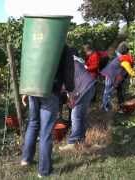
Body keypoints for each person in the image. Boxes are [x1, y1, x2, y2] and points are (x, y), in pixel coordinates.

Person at [20, 45, 75, 177]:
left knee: (33, 123)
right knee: (45, 131)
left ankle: (26, 159)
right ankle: (44, 171)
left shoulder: (36, 41)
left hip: (33, 88)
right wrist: (70, 90)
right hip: (51, 91)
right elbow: (68, 71)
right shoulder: (64, 47)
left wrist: (26, 88)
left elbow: (28, 62)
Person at [59, 49, 96, 151]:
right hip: (89, 87)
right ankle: (81, 140)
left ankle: (73, 143)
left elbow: (67, 84)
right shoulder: (74, 60)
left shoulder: (67, 65)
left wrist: (69, 97)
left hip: (84, 89)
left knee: (75, 116)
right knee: (80, 116)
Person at [100, 41, 135, 112]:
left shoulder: (125, 58)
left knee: (119, 89)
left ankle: (121, 104)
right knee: (108, 91)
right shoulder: (125, 61)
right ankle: (105, 107)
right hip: (111, 75)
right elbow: (131, 72)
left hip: (116, 76)